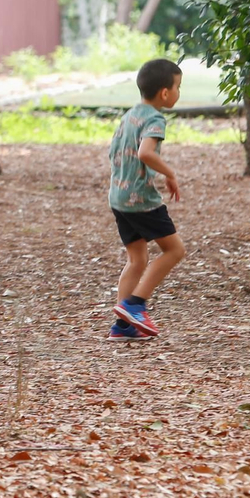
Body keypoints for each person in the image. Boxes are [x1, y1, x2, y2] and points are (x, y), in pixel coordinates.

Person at [106, 57, 187, 341]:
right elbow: (145, 153)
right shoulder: (155, 118)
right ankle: (135, 305)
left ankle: (123, 326)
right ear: (165, 92)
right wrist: (170, 174)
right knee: (175, 251)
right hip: (140, 199)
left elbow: (115, 153)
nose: (178, 92)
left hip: (118, 196)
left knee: (137, 259)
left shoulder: (130, 115)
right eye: (178, 86)